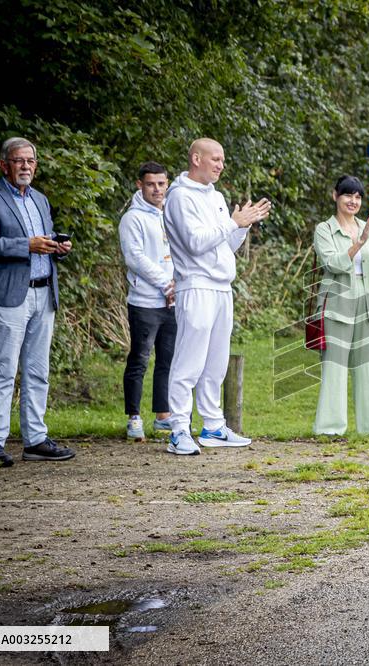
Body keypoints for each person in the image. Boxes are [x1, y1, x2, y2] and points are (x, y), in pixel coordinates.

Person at [0, 137, 76, 467]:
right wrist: (26, 244)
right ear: (4, 165)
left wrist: (58, 245)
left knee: (37, 370)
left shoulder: (40, 200)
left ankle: (36, 440)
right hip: (9, 295)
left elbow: (43, 239)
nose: (25, 166)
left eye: (30, 161)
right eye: (18, 161)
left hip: (44, 292)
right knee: (3, 368)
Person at [162, 138, 272, 455]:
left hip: (222, 286)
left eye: (223, 160)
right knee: (189, 361)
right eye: (216, 159)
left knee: (216, 362)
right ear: (196, 158)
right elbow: (196, 243)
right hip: (195, 285)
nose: (221, 165)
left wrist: (241, 226)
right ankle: (179, 430)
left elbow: (224, 246)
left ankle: (212, 426)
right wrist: (231, 223)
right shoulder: (180, 196)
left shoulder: (217, 197)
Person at [312, 175, 369, 436]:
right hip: (336, 303)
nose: (353, 201)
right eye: (348, 195)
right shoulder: (324, 229)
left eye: (357, 197)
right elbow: (331, 263)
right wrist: (357, 244)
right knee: (335, 367)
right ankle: (330, 429)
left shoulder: (366, 227)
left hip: (368, 302)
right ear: (335, 196)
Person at [118, 161, 176, 442]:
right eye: (151, 184)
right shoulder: (132, 218)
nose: (157, 189)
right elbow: (135, 258)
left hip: (173, 301)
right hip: (145, 301)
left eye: (161, 184)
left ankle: (163, 416)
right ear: (139, 185)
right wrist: (165, 283)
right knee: (140, 359)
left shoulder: (170, 214)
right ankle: (134, 417)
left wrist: (178, 283)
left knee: (168, 360)